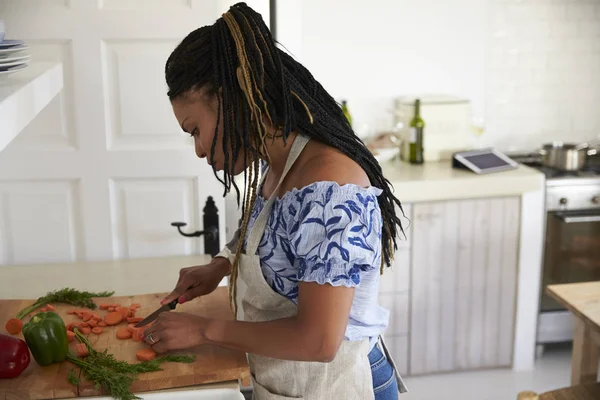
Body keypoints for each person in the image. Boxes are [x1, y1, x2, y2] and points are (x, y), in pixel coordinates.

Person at [142, 3, 407, 399]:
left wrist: (201, 329)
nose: (198, 149)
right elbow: (273, 237)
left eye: (195, 129)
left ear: (234, 98)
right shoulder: (281, 163)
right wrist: (221, 264)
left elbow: (319, 340)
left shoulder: (329, 189)